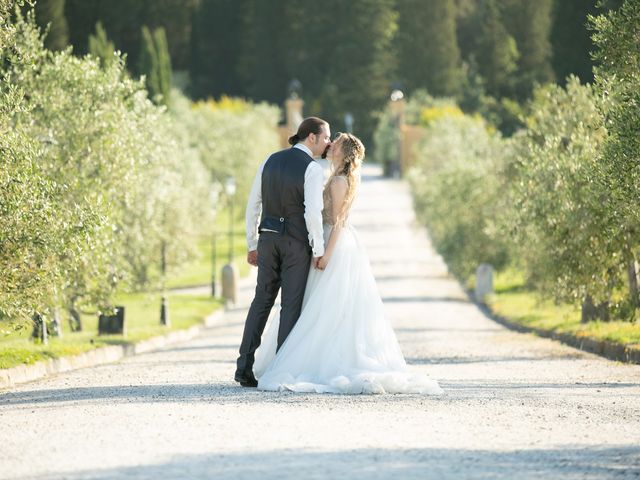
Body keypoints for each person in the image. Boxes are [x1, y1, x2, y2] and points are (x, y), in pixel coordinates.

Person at [253, 133, 443, 395]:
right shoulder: (336, 176)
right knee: (323, 305)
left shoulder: (340, 181)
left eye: (337, 143)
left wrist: (326, 254)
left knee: (330, 306)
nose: (331, 145)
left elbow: (339, 221)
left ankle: (326, 359)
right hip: (331, 240)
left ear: (344, 151)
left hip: (336, 244)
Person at [235, 117, 331, 388]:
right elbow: (312, 213)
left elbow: (253, 204)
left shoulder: (270, 160)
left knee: (261, 301)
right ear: (311, 137)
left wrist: (252, 243)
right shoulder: (311, 169)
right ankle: (281, 371)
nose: (327, 143)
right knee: (290, 306)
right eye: (325, 138)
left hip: (267, 240)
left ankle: (244, 367)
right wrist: (318, 249)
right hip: (295, 245)